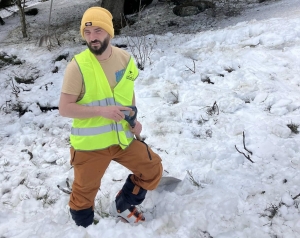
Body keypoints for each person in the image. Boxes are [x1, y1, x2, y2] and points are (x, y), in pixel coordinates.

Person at [58, 7, 163, 228]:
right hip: (91, 146)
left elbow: (128, 94)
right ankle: (83, 229)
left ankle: (124, 204)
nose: (92, 37)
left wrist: (134, 120)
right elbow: (65, 108)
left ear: (109, 32)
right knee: (84, 193)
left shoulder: (125, 60)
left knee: (152, 169)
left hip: (121, 138)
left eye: (98, 30)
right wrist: (101, 111)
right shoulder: (77, 67)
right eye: (87, 33)